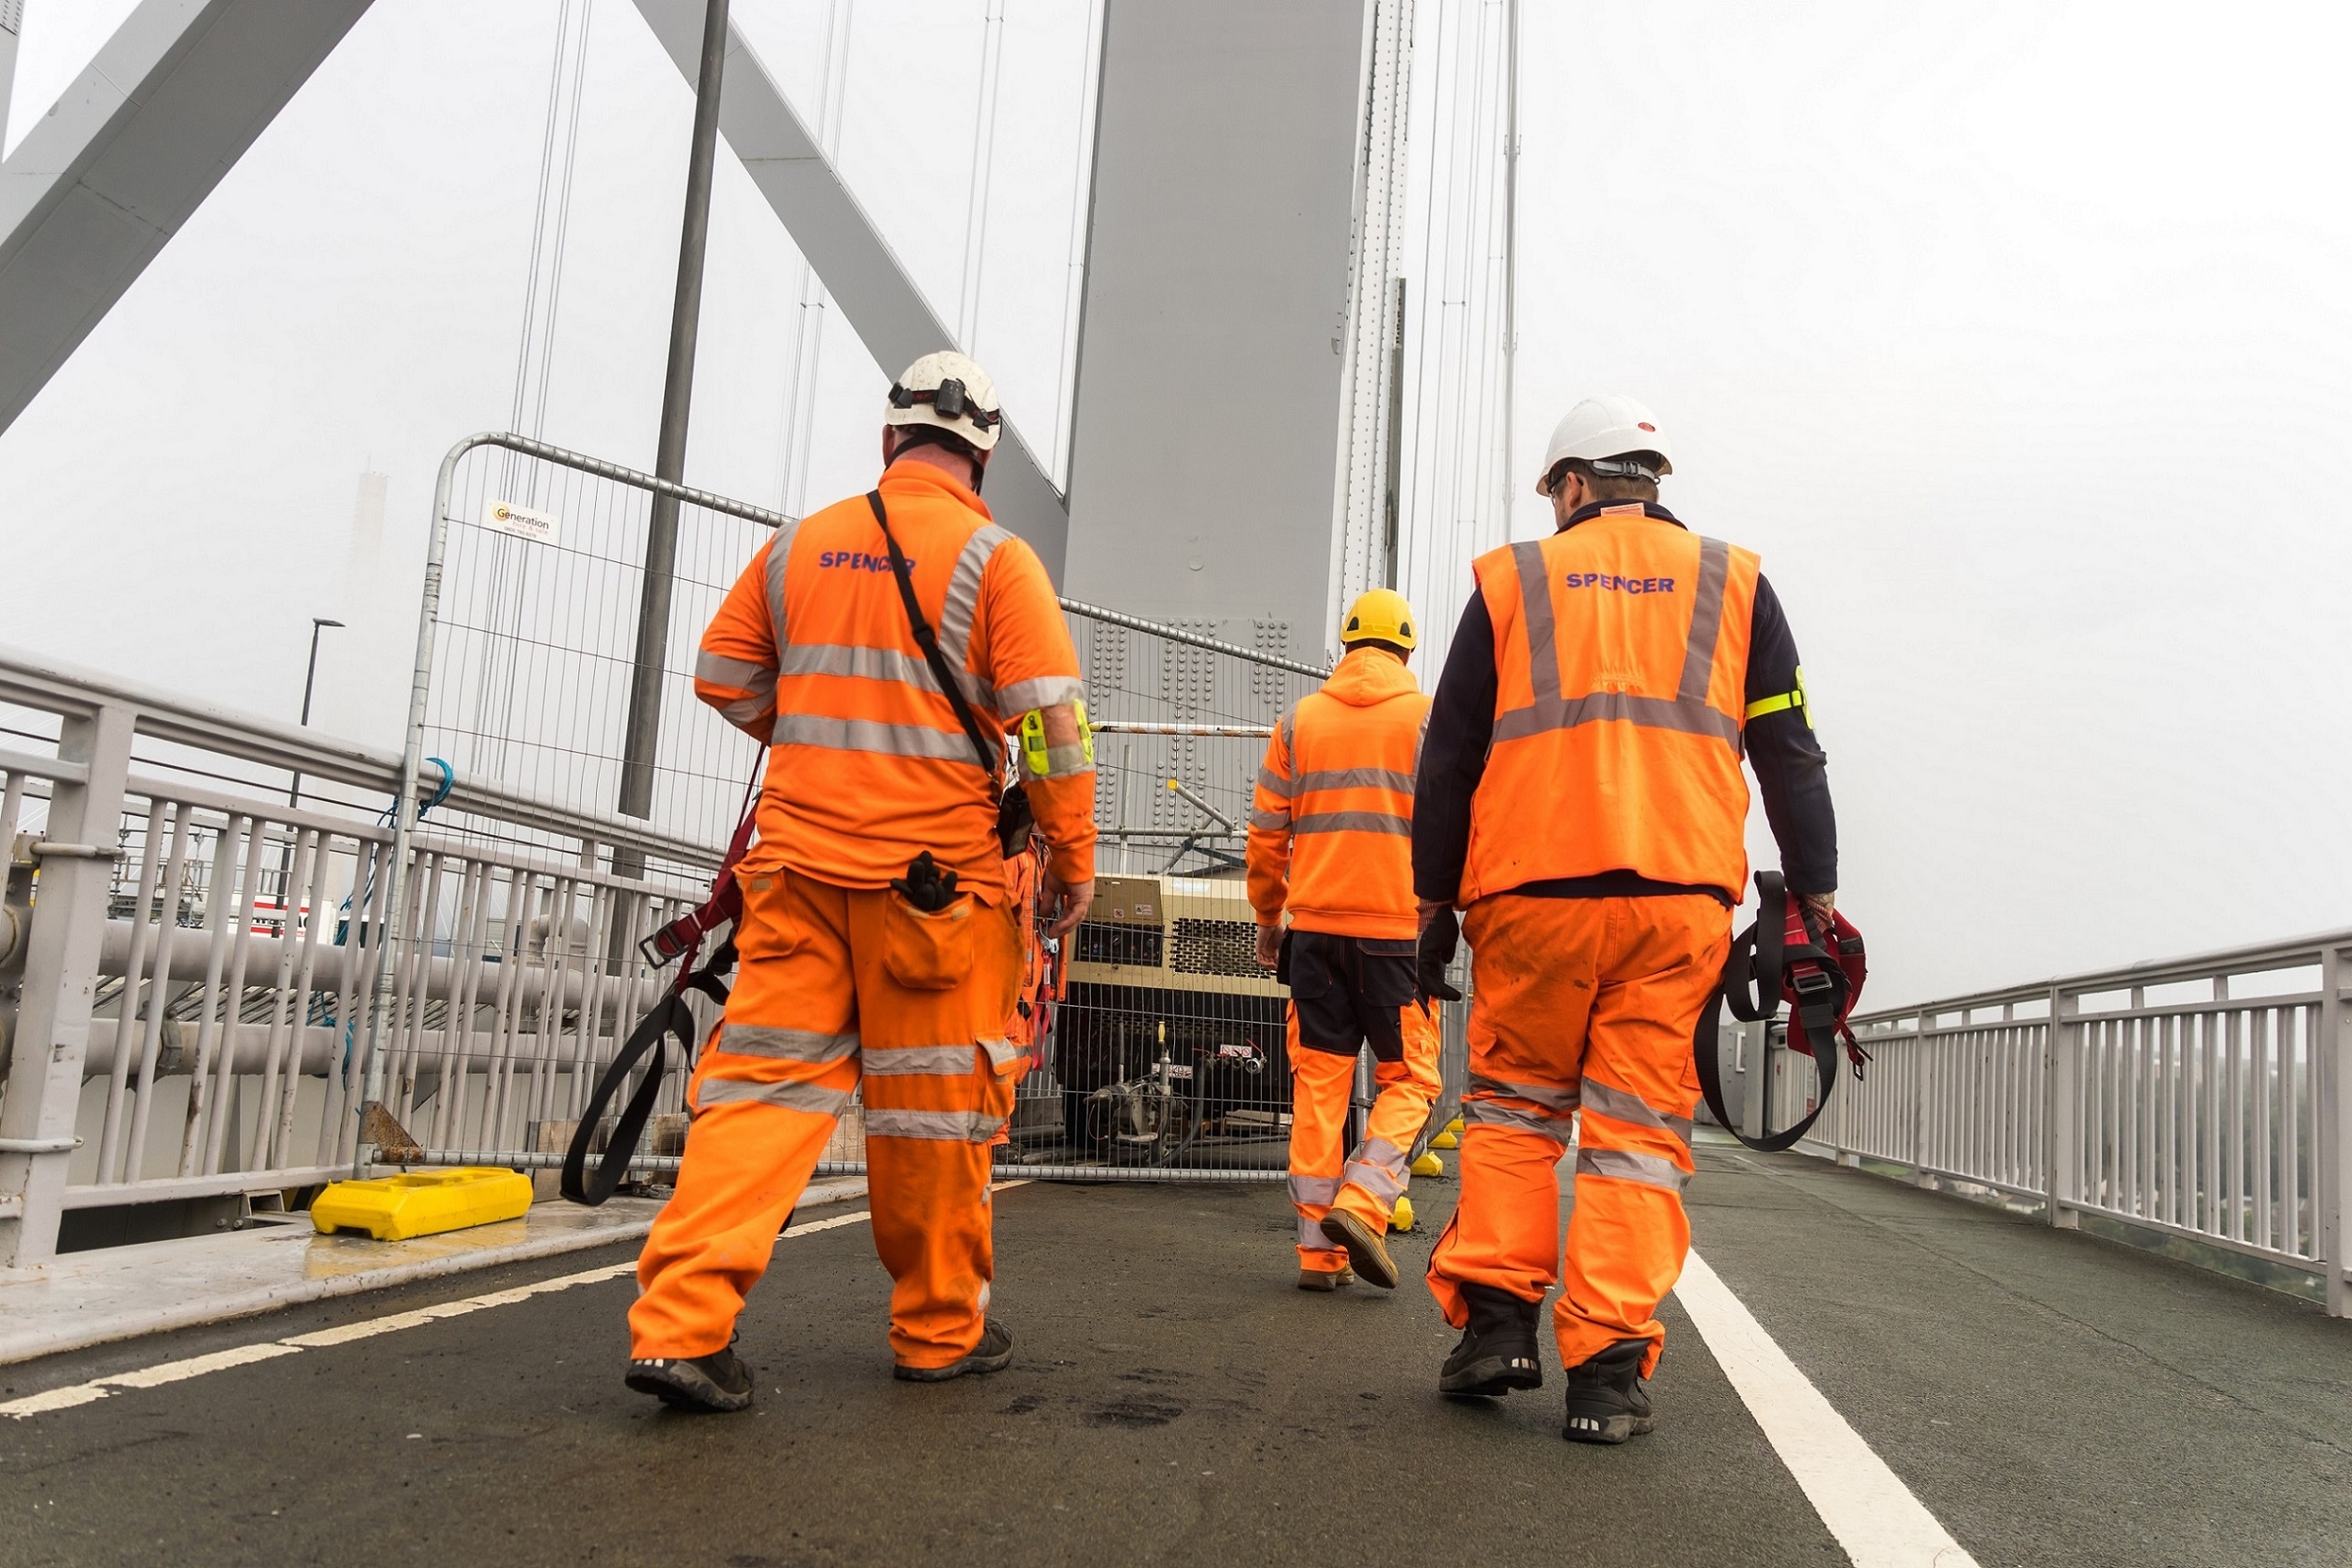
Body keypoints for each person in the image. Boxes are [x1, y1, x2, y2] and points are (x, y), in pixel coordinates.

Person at [625, 352, 1097, 1410]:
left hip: (794, 874)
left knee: (756, 1099)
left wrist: (818, 748)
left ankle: (680, 1329)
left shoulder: (800, 545)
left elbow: (724, 674)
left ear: (888, 441)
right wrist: (1071, 861)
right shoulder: (996, 559)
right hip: (937, 891)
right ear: (984, 458)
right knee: (934, 1115)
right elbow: (1054, 731)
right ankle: (936, 1333)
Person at [1414, 395, 1837, 1444]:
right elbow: (1790, 748)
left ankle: (1499, 1327)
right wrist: (1816, 888)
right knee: (1636, 1137)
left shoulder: (1513, 580)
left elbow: (1451, 758)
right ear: (1652, 480)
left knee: (1514, 1112)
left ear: (1569, 484)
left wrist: (1432, 899)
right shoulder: (1735, 583)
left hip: (1529, 901)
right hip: (1675, 903)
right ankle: (1605, 1376)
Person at [1247, 589, 1443, 1292]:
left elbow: (1267, 834)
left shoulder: (1300, 721)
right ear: (1408, 651)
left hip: (1315, 935)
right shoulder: (1428, 719)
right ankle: (1363, 1203)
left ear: (1345, 647)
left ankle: (1315, 1253)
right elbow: (1462, 826)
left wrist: (1270, 917)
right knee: (1413, 1079)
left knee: (1321, 1091)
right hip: (1395, 936)